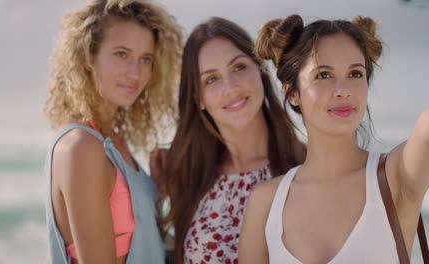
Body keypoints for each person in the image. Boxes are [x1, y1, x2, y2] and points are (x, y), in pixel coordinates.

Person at [239, 14, 429, 263]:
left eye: (355, 74)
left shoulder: (395, 176)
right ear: (292, 92)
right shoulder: (266, 202)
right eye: (324, 75)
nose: (343, 90)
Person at [43, 0, 182, 263]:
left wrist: (160, 191)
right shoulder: (81, 148)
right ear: (87, 57)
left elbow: (144, 244)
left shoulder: (113, 140)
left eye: (146, 59)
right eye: (121, 54)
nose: (135, 72)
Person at [161, 17, 306, 264]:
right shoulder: (190, 177)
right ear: (199, 98)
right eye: (211, 79)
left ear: (259, 70)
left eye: (239, 67)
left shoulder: (305, 167)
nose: (231, 87)